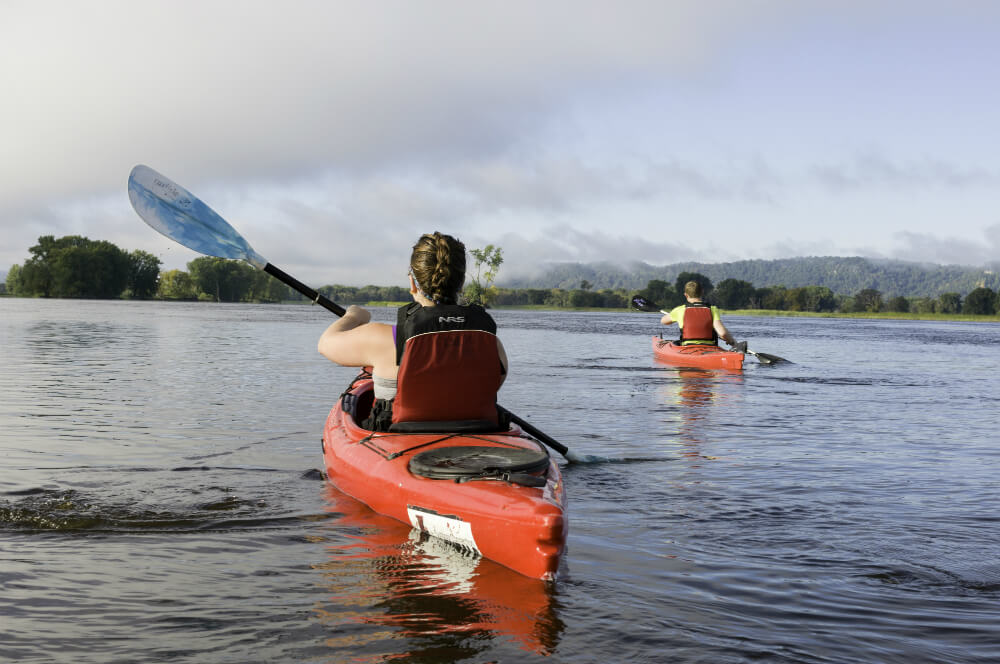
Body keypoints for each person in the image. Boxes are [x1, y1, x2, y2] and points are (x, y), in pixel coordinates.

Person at [317, 232, 508, 432]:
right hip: (476, 443)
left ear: (412, 283)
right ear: (460, 284)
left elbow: (325, 344)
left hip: (398, 447)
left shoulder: (385, 339)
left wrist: (354, 316)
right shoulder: (491, 344)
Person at [660, 280, 745, 351]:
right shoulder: (712, 309)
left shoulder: (680, 310)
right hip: (710, 349)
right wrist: (732, 342)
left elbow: (663, 321)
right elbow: (722, 333)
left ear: (686, 295)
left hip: (687, 349)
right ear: (702, 292)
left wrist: (673, 316)